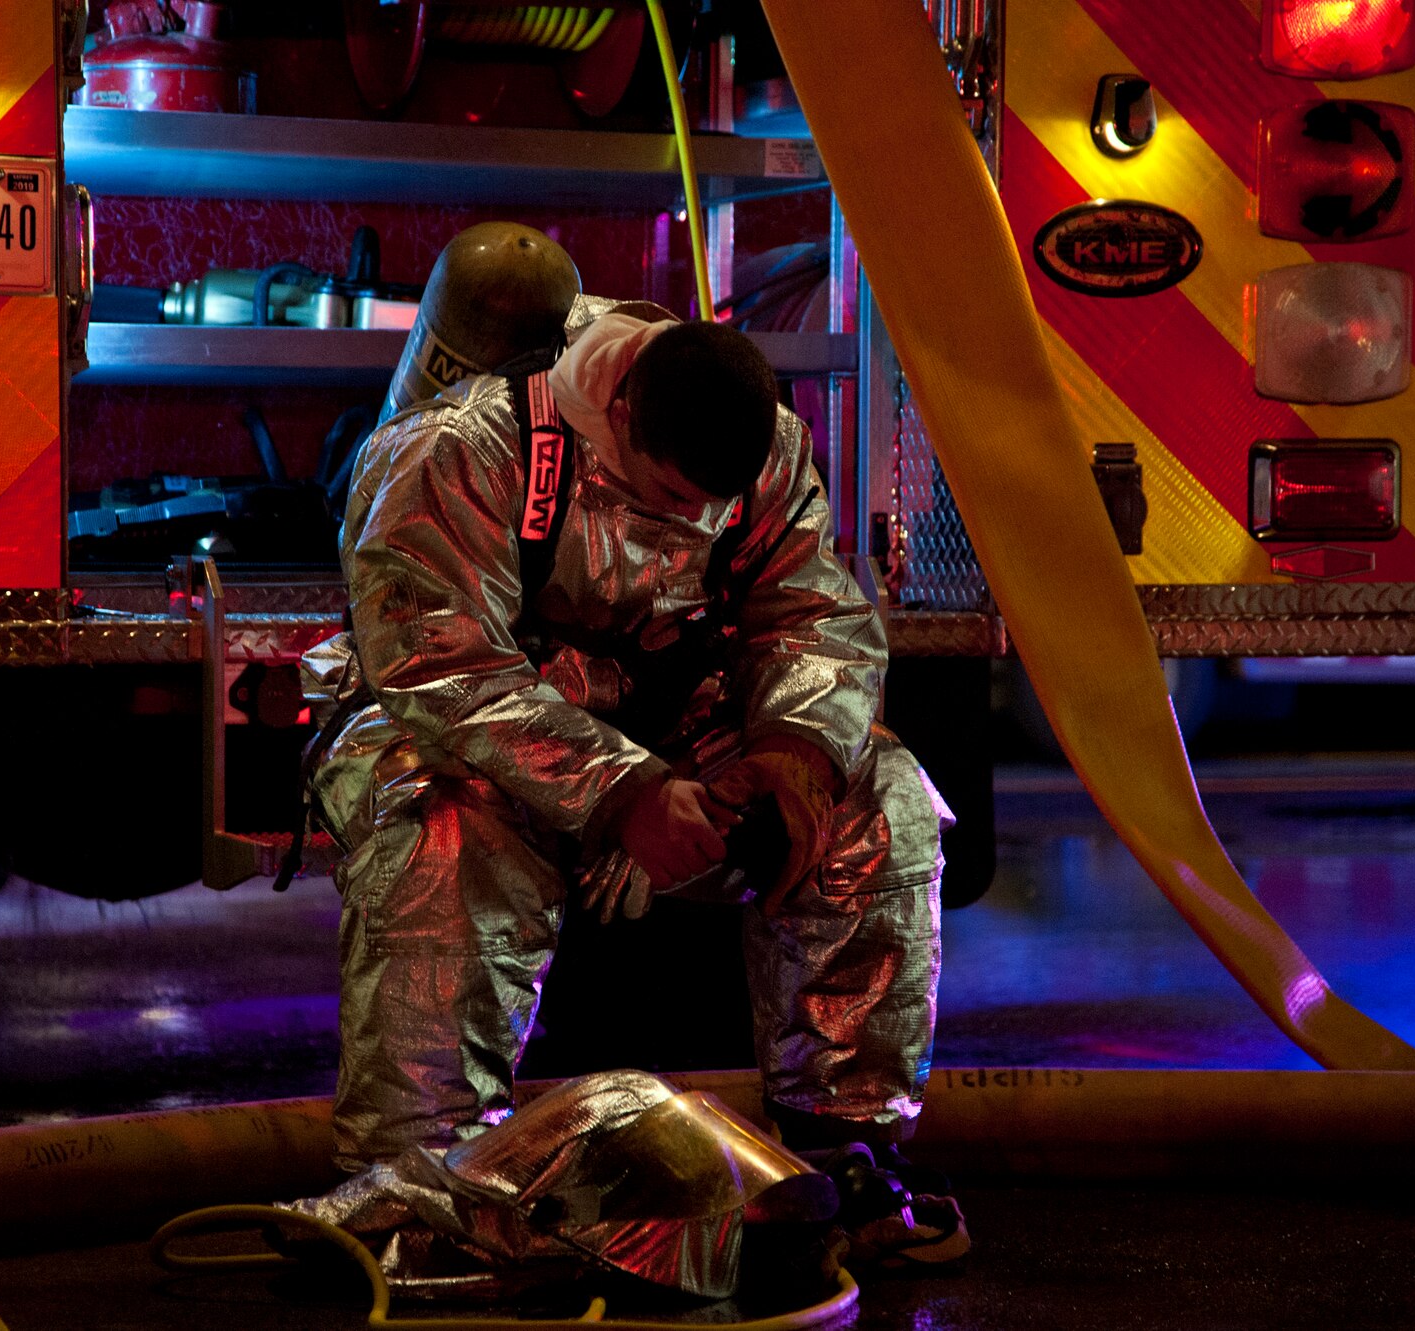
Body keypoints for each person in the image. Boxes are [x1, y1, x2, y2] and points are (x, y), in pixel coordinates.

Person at [299, 295, 957, 1263]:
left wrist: (790, 755)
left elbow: (811, 615)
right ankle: (418, 1196)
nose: (694, 521)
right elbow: (437, 664)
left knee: (880, 799)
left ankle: (833, 1149)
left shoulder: (767, 444)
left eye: (713, 505)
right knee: (442, 832)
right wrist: (621, 794)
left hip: (665, 735)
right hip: (459, 732)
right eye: (671, 495)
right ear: (619, 421)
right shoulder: (461, 449)